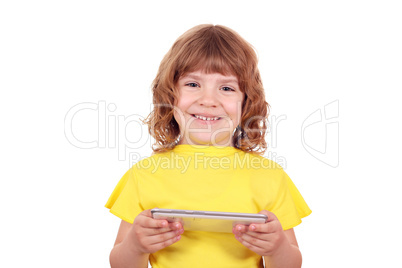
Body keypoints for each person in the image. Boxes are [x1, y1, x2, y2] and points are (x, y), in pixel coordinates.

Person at [105, 24, 311, 268]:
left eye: (226, 88)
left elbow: (291, 263)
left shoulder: (271, 176)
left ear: (247, 103)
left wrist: (277, 249)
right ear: (170, 94)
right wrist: (135, 246)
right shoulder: (143, 175)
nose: (208, 100)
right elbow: (120, 263)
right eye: (193, 84)